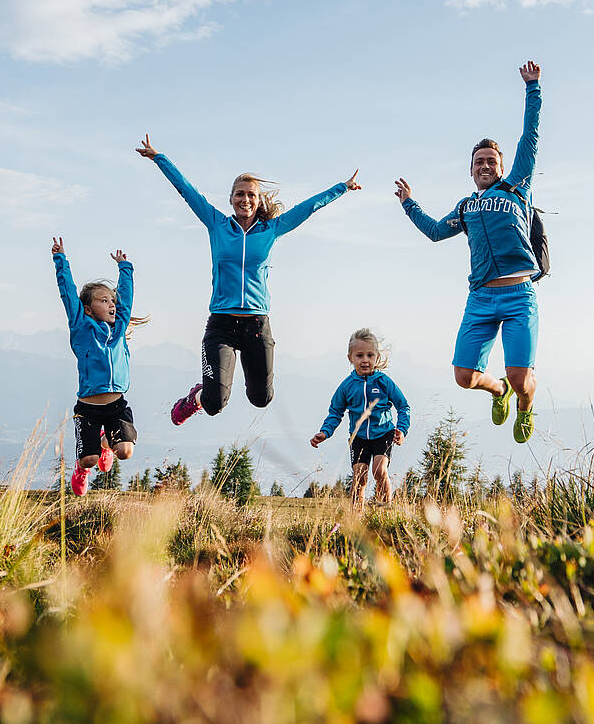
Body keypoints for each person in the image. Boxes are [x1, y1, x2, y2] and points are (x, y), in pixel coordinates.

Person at [137, 135, 360, 423]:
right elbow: (186, 189)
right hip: (222, 323)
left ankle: (220, 386)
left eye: (251, 195)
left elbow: (309, 207)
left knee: (261, 399)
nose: (245, 199)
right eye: (240, 194)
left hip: (257, 324)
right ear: (231, 199)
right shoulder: (216, 223)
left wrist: (343, 187)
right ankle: (196, 397)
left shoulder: (271, 229)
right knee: (214, 402)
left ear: (258, 200)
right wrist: (159, 158)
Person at [394, 60, 544, 443]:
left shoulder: (516, 188)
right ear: (471, 170)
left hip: (517, 295)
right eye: (479, 162)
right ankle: (499, 392)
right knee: (464, 377)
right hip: (480, 298)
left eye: (491, 161)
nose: (485, 166)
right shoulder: (465, 207)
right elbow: (433, 232)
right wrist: (410, 204)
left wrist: (532, 88)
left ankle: (524, 404)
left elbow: (530, 137)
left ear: (503, 167)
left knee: (520, 376)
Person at [53, 239, 143, 495]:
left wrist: (125, 268)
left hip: (116, 405)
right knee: (89, 460)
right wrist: (61, 261)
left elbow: (126, 300)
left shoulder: (119, 329)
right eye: (104, 301)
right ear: (88, 309)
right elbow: (68, 293)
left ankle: (106, 445)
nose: (111, 304)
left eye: (112, 300)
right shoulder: (81, 327)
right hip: (88, 409)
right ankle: (81, 468)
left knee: (124, 452)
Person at [311, 328, 410, 504]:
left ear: (376, 357)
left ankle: (384, 509)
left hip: (383, 433)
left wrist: (401, 430)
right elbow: (335, 412)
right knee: (360, 477)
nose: (365, 360)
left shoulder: (384, 382)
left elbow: (403, 406)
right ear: (350, 358)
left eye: (370, 355)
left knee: (379, 471)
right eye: (359, 355)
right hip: (358, 436)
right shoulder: (347, 386)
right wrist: (324, 432)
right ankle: (356, 519)